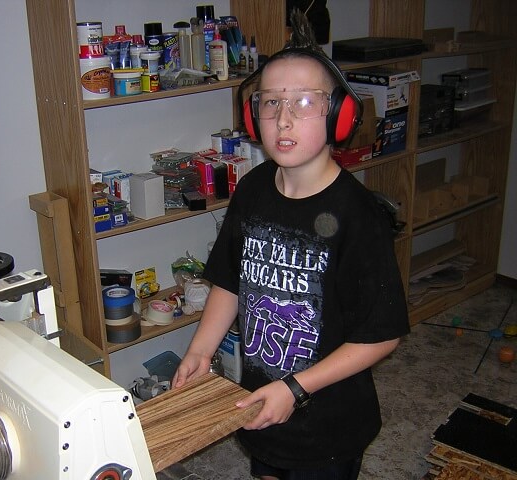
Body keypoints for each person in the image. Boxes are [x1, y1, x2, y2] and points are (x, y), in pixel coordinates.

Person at [172, 16, 410, 480]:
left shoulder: (358, 214)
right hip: (262, 401)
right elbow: (229, 278)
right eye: (270, 102)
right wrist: (202, 349)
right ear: (251, 115)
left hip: (327, 423)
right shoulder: (254, 188)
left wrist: (296, 389)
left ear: (340, 114)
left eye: (304, 102)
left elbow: (382, 334)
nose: (283, 118)